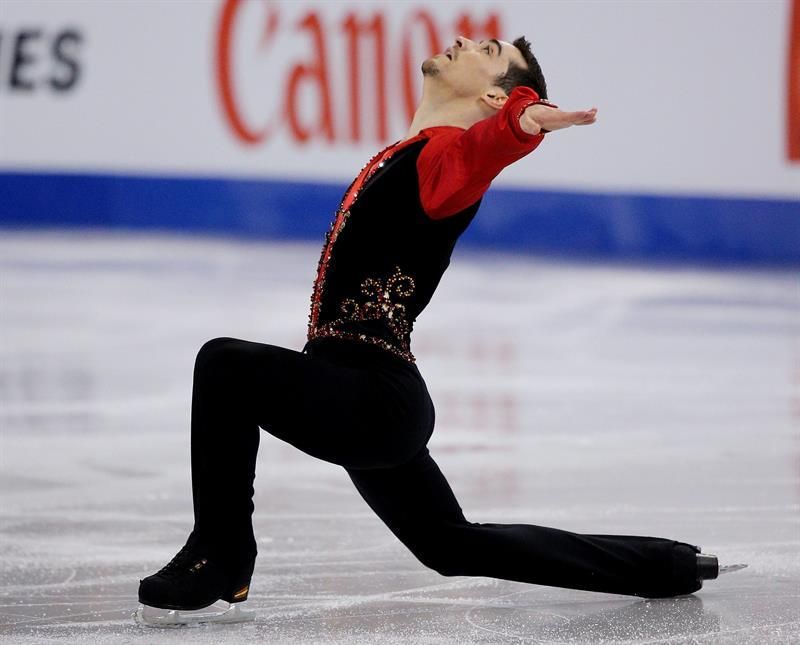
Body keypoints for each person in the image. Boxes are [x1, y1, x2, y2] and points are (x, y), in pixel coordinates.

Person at [136, 35, 725, 626]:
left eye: (487, 51)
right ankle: (664, 564)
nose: (464, 40)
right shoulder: (414, 153)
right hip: (363, 392)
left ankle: (221, 555)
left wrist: (525, 117)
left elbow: (493, 144)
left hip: (375, 399)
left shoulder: (446, 161)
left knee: (225, 365)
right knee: (448, 543)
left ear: (495, 97)